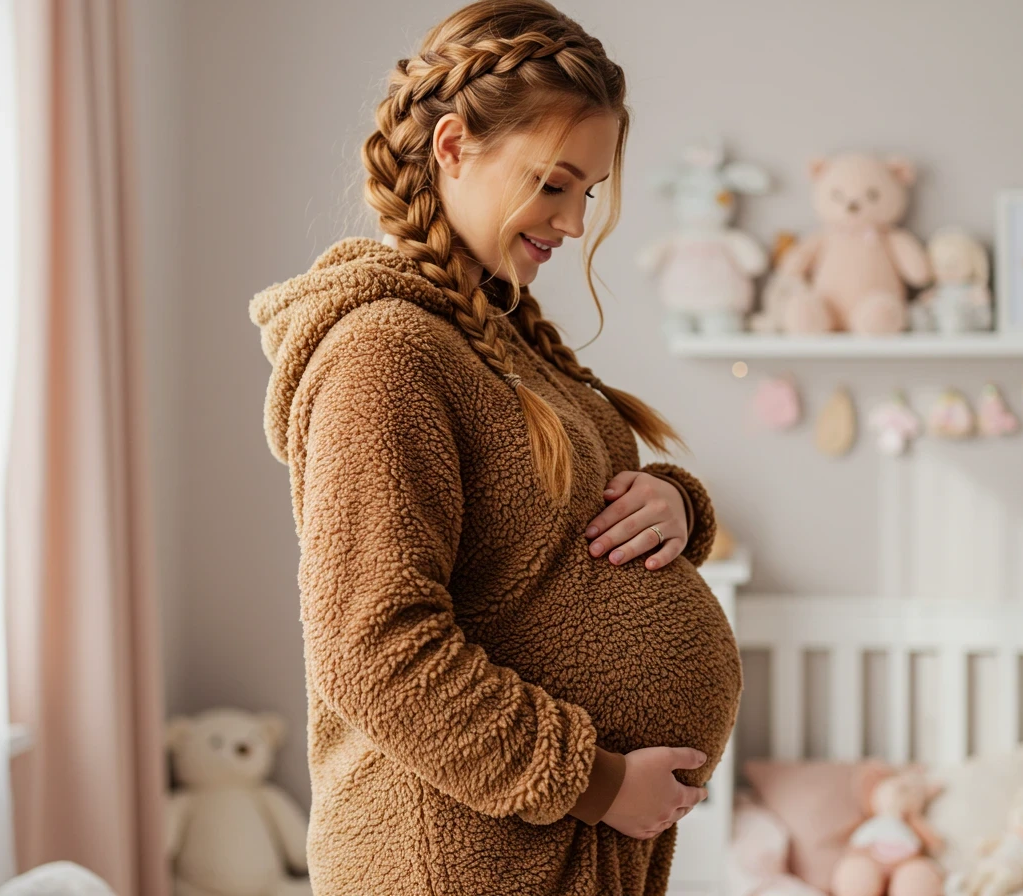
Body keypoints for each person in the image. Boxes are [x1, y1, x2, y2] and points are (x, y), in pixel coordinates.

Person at [248, 2, 742, 893]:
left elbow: (551, 531)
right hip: (456, 857)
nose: (575, 223)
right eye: (554, 183)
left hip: (535, 848)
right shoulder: (384, 352)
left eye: (587, 192)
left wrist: (674, 504)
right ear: (452, 147)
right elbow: (374, 648)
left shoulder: (496, 332)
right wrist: (595, 782)